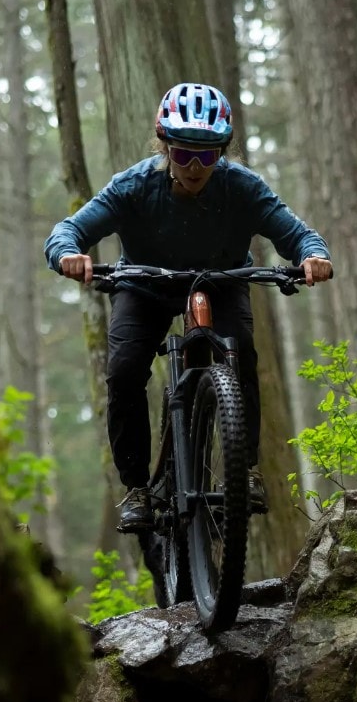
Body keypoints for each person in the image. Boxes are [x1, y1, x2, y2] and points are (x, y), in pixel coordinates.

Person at [44, 81, 333, 533]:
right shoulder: (134, 187)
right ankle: (137, 487)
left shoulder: (243, 187)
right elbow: (68, 231)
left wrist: (313, 257)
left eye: (208, 155)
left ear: (223, 152)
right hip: (144, 286)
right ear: (164, 147)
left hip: (223, 283)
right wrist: (68, 254)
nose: (196, 166)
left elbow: (297, 234)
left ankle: (247, 470)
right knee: (124, 369)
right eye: (183, 154)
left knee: (242, 358)